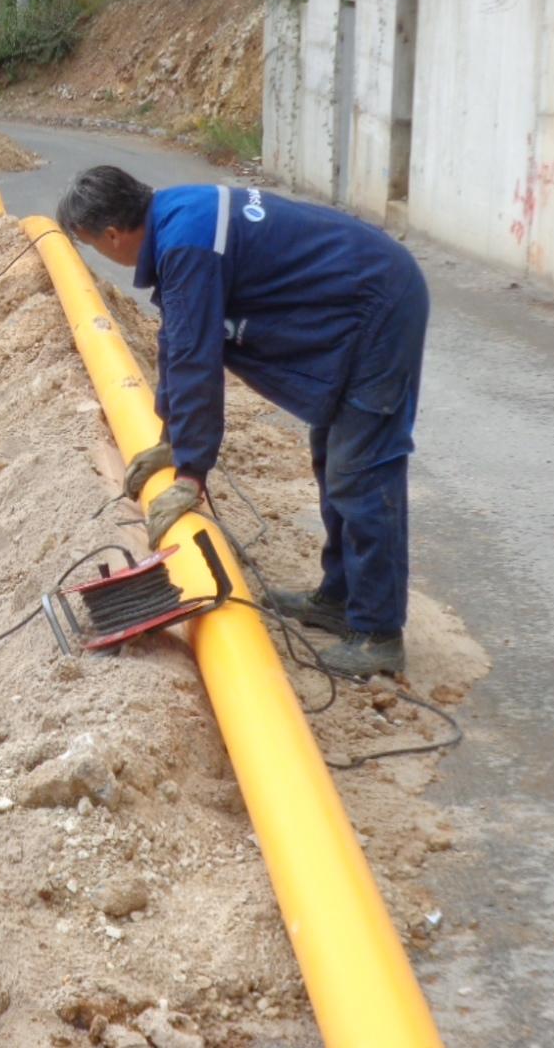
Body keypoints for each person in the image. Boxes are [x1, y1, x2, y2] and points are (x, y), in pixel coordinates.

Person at [55, 166, 429, 677]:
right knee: (334, 457)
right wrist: (172, 439)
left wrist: (190, 474)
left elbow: (195, 357)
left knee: (361, 469)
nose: (106, 258)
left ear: (113, 234)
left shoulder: (187, 244)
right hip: (357, 297)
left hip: (379, 305)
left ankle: (378, 633)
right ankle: (340, 598)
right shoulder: (176, 214)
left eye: (95, 247)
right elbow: (178, 339)